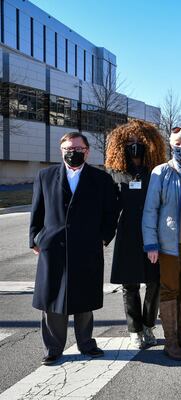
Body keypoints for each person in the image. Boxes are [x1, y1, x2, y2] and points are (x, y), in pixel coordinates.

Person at [29, 132, 118, 366]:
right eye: (68, 148)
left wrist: (103, 238)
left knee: (84, 298)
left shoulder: (101, 179)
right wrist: (35, 238)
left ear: (87, 151)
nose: (73, 152)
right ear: (61, 151)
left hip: (87, 247)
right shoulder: (45, 176)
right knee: (52, 299)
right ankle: (53, 347)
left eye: (78, 148)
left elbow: (111, 213)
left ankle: (86, 343)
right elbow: (37, 211)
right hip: (53, 248)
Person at [142, 126, 181, 361]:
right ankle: (170, 342)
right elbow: (150, 210)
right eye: (177, 144)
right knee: (170, 289)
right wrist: (151, 244)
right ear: (171, 145)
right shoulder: (161, 172)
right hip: (169, 244)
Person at [105, 120, 166, 349]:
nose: (135, 145)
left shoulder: (157, 173)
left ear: (149, 144)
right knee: (129, 285)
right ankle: (135, 330)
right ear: (121, 144)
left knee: (155, 282)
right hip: (127, 234)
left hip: (153, 233)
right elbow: (110, 208)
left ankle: (149, 325)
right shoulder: (116, 174)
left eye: (139, 141)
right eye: (130, 141)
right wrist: (104, 234)